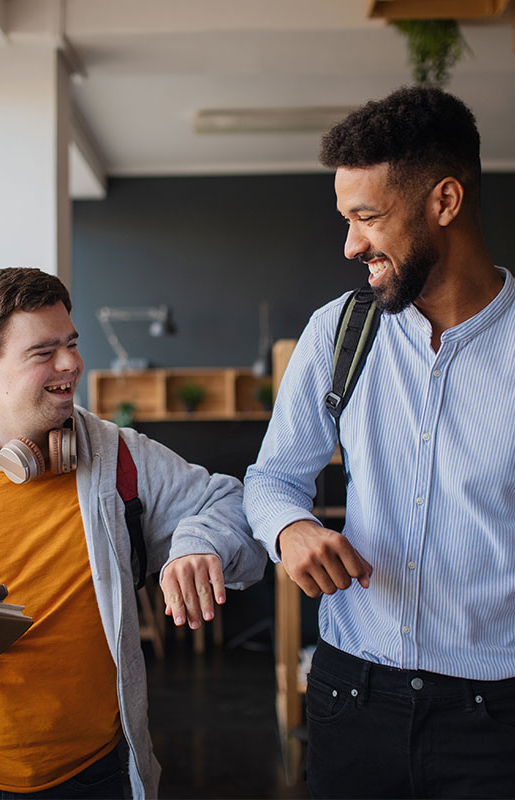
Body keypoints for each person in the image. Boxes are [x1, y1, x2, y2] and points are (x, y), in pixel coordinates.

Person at [244, 85, 515, 800]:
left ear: (445, 202)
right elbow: (271, 478)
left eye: (367, 217)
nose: (349, 244)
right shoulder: (339, 331)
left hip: (498, 716)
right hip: (350, 696)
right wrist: (293, 530)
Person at [0, 267, 266, 800]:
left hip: (97, 774)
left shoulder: (120, 456)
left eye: (72, 344)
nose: (71, 364)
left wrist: (199, 543)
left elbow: (233, 502)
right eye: (43, 352)